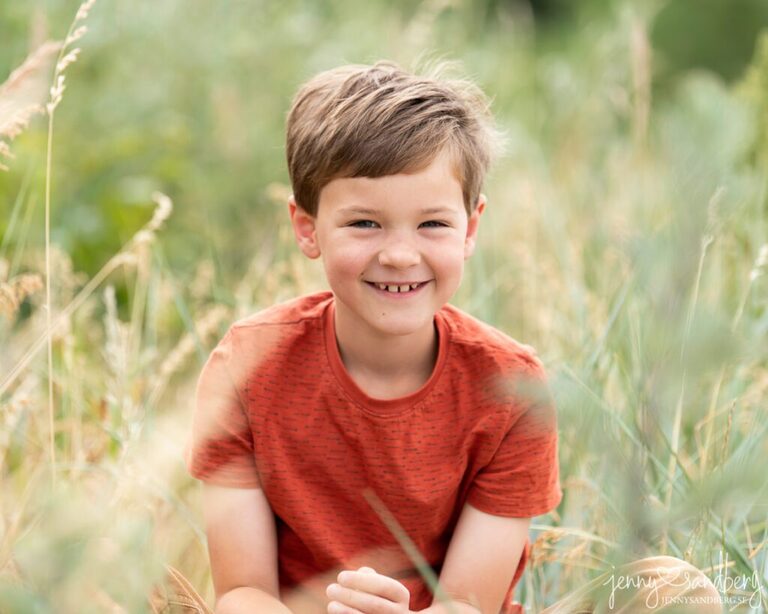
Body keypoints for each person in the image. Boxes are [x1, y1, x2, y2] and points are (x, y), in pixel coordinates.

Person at [179, 61, 722, 614]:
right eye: (364, 223)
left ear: (471, 228)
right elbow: (243, 593)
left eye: (432, 224)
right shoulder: (247, 366)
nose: (398, 254)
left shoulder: (511, 387)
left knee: (673, 590)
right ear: (306, 228)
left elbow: (466, 601)